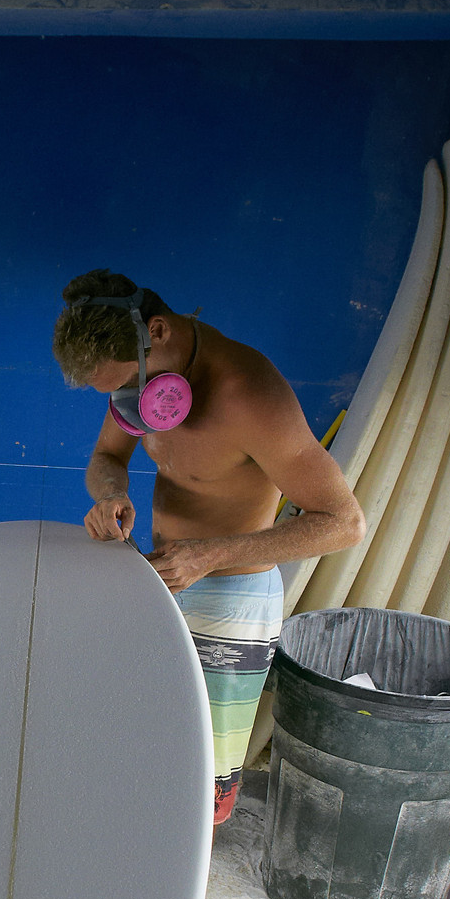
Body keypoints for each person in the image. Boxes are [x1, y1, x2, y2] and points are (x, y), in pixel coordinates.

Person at [54, 269, 365, 824]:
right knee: (141, 742)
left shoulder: (250, 395)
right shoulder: (138, 381)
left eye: (127, 382)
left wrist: (210, 554)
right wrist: (111, 495)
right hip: (159, 579)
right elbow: (107, 460)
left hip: (233, 599)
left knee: (207, 774)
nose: (127, 402)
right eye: (113, 393)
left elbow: (343, 523)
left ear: (158, 330)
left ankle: (183, 885)